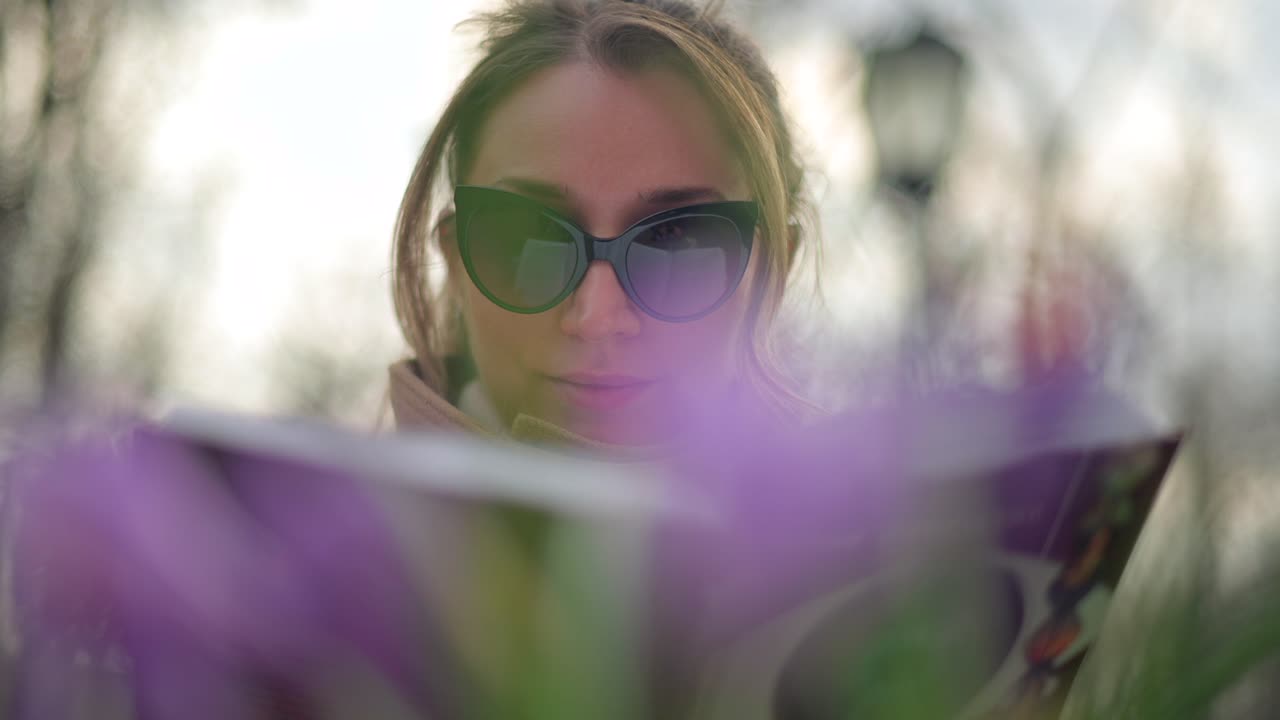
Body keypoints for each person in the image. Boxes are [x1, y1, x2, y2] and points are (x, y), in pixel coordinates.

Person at [387, 0, 816, 449]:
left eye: (676, 240)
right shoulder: (340, 496)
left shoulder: (861, 498)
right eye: (533, 234)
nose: (597, 318)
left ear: (774, 271)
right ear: (456, 262)